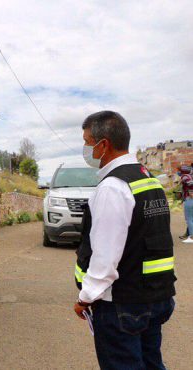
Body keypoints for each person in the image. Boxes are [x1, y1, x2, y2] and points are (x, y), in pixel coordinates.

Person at [73, 111, 176, 370]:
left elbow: (105, 257)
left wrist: (85, 298)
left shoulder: (112, 187)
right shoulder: (149, 179)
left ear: (103, 144)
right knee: (152, 363)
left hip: (122, 305)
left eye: (87, 142)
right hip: (156, 297)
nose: (86, 148)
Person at [181, 165, 193, 243]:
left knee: (189, 218)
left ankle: (191, 237)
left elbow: (190, 184)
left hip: (189, 199)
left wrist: (190, 192)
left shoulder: (185, 176)